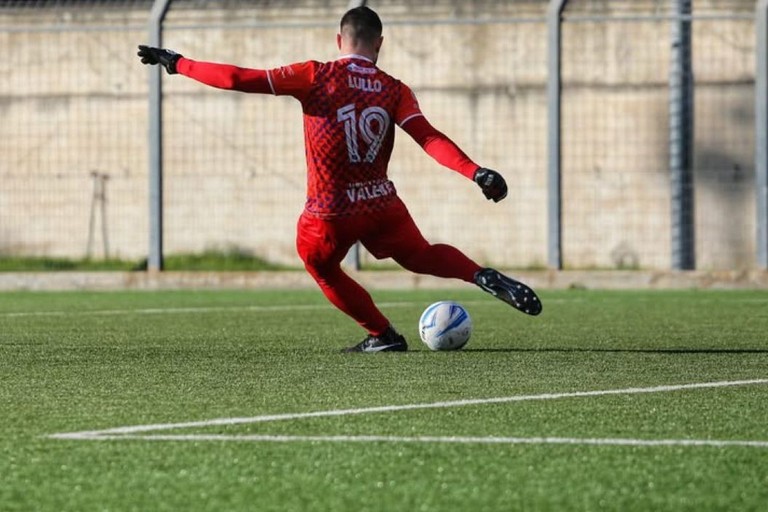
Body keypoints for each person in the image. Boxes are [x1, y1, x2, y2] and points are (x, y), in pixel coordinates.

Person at [137, 6, 541, 353]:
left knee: (320, 265)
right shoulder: (394, 89)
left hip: (330, 211)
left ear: (339, 39)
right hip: (382, 205)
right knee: (419, 254)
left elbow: (238, 78)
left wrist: (178, 63)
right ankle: (477, 274)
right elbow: (428, 137)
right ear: (379, 43)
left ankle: (381, 333)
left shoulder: (314, 75)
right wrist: (476, 172)